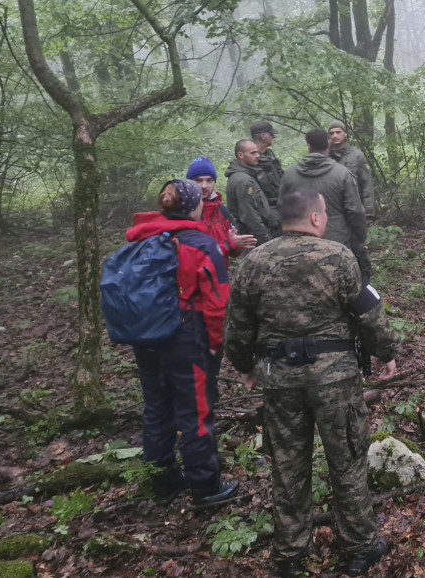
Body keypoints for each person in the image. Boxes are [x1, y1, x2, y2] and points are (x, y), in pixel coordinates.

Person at [224, 189, 398, 578]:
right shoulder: (338, 257)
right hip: (334, 379)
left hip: (279, 380)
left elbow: (236, 326)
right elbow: (368, 315)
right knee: (347, 460)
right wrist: (386, 352)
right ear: (317, 218)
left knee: (288, 466)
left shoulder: (253, 262)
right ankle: (359, 548)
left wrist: (245, 366)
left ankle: (289, 555)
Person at [125, 178, 239, 506]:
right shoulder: (201, 245)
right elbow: (218, 303)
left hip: (145, 336)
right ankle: (206, 487)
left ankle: (163, 481)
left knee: (157, 408)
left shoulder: (139, 240)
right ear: (192, 206)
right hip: (186, 338)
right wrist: (216, 344)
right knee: (196, 411)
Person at [280, 128, 372, 281]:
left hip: (299, 246)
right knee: (340, 283)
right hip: (337, 241)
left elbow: (281, 209)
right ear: (328, 146)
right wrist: (361, 237)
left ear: (308, 147)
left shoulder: (289, 175)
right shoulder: (342, 174)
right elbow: (355, 210)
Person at [186, 156, 256, 263]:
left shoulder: (221, 210)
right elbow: (189, 256)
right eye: (198, 180)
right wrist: (229, 244)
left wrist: (238, 245)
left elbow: (233, 252)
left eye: (209, 180)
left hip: (219, 275)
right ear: (189, 182)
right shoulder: (181, 212)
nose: (204, 186)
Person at [226, 139, 280, 246]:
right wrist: (266, 241)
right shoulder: (243, 180)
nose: (258, 156)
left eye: (257, 152)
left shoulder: (248, 174)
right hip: (253, 240)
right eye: (253, 153)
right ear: (240, 155)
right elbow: (250, 216)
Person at [328, 120, 376, 219]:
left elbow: (366, 184)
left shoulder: (357, 156)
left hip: (353, 209)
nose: (335, 136)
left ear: (345, 134)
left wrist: (368, 212)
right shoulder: (325, 156)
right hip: (331, 210)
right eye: (331, 133)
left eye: (338, 132)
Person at [250, 121, 284, 210]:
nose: (273, 136)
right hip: (266, 212)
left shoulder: (270, 156)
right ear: (263, 136)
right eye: (271, 134)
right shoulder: (250, 161)